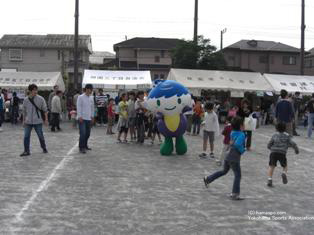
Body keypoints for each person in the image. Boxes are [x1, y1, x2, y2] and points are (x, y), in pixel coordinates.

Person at [203, 116, 246, 200]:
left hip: (228, 155)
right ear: (241, 126)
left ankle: (208, 179)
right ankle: (235, 193)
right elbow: (237, 144)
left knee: (224, 171)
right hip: (234, 157)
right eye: (243, 124)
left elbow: (232, 142)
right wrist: (243, 150)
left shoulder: (233, 132)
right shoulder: (241, 134)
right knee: (238, 175)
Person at [267, 122, 299, 187]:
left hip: (273, 152)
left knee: (271, 166)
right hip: (282, 153)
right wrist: (296, 149)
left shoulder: (274, 135)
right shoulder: (287, 135)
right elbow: (292, 143)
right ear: (285, 128)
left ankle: (269, 179)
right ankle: (284, 173)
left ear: (276, 128)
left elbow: (269, 144)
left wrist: (270, 147)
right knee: (285, 166)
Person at [20, 84, 48, 157]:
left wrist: (46, 120)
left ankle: (43, 147)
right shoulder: (26, 100)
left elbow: (45, 110)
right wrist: (23, 121)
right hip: (28, 121)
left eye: (36, 90)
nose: (35, 91)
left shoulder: (41, 99)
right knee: (26, 136)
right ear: (30, 91)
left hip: (37, 121)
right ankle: (26, 151)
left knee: (40, 135)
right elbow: (24, 111)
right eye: (33, 90)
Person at [77, 84, 95, 154]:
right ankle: (81, 147)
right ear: (87, 89)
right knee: (83, 133)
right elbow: (78, 107)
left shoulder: (91, 98)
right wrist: (79, 116)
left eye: (92, 89)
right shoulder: (80, 97)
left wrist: (92, 116)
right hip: (82, 118)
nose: (91, 91)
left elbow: (92, 108)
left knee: (88, 134)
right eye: (90, 89)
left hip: (89, 118)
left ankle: (85, 145)